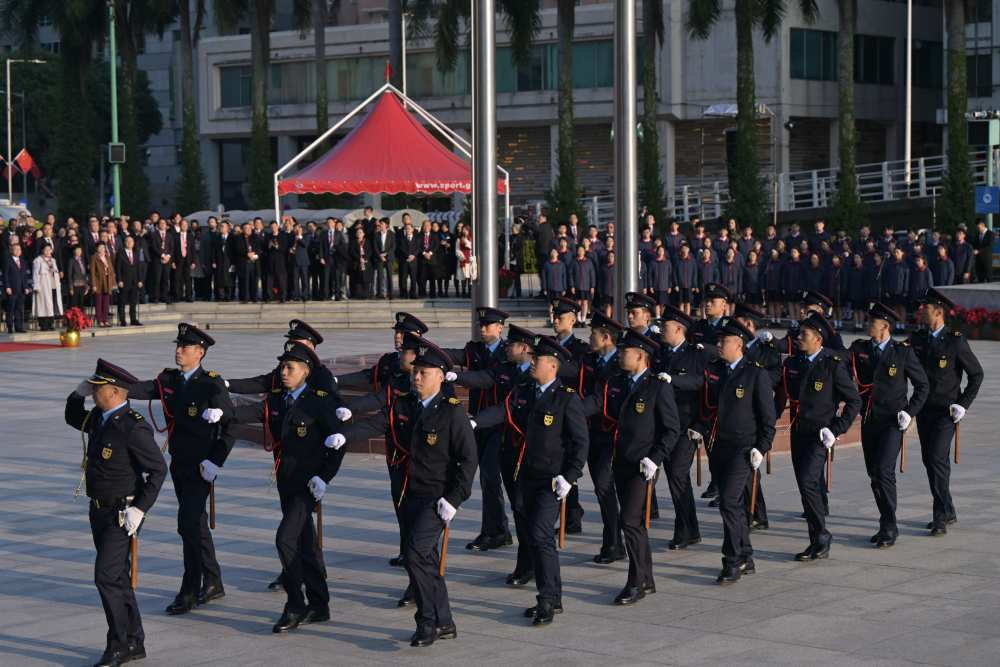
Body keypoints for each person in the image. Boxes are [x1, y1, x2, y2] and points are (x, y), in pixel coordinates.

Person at [334, 338, 478, 647]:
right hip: (409, 493)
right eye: (415, 372)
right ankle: (446, 620)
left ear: (440, 376)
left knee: (414, 556)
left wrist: (455, 499)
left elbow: (468, 460)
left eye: (423, 373)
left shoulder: (452, 413)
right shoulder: (405, 404)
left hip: (437, 499)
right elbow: (377, 424)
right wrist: (343, 435)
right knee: (425, 560)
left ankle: (427, 623)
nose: (415, 377)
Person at [230, 343, 348, 633]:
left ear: (305, 371)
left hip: (308, 485)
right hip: (286, 481)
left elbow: (338, 441)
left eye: (290, 367)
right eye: (282, 367)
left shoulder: (318, 402)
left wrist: (325, 477)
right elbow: (247, 412)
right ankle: (320, 605)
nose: (283, 372)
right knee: (306, 544)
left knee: (285, 539)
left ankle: (295, 604)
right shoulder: (277, 401)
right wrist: (220, 407)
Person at [474, 336, 589, 626]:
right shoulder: (524, 390)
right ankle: (553, 594)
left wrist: (570, 476)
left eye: (537, 360)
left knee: (540, 535)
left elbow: (580, 442)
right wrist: (474, 421)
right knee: (530, 535)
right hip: (525, 475)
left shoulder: (566, 398)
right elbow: (503, 411)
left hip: (552, 480)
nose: (532, 363)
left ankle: (547, 599)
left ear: (552, 365)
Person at [65, 360, 167, 667]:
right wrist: (76, 394)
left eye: (97, 388)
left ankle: (119, 644)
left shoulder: (131, 426)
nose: (93, 391)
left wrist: (140, 509)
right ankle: (135, 640)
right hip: (98, 509)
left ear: (113, 392)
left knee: (105, 577)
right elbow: (73, 418)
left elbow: (158, 470)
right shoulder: (100, 417)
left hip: (123, 514)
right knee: (117, 578)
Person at [128, 323, 235, 615]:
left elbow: (231, 423)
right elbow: (139, 388)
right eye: (177, 346)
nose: (178, 350)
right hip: (179, 464)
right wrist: (111, 384)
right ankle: (213, 580)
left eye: (184, 347)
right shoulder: (169, 380)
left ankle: (189, 590)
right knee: (195, 523)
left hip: (202, 466)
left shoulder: (211, 383)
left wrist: (216, 460)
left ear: (199, 353)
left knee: (186, 523)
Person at [591, 330, 678, 604]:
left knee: (629, 521)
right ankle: (647, 577)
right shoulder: (618, 382)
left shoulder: (657, 386)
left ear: (641, 356)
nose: (619, 354)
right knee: (635, 522)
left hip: (644, 464)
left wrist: (656, 458)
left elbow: (671, 429)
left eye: (625, 351)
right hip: (622, 461)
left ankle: (636, 581)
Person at [446, 325, 538, 583]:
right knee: (519, 508)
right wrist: (458, 380)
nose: (506, 347)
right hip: (509, 449)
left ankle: (536, 569)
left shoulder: (537, 377)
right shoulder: (507, 370)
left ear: (524, 349)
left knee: (530, 513)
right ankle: (525, 562)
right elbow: (487, 383)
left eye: (512, 345)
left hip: (533, 455)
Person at [689, 319, 776, 583]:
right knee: (734, 504)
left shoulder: (754, 373)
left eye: (723, 341)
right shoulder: (715, 369)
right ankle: (746, 554)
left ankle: (733, 560)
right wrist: (698, 427)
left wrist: (762, 447)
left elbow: (767, 418)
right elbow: (709, 405)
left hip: (743, 447)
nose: (718, 345)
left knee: (728, 501)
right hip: (718, 446)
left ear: (738, 344)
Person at [775, 313, 860, 561]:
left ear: (818, 339)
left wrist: (836, 429)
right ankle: (816, 537)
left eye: (804, 334)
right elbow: (781, 396)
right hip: (798, 430)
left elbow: (854, 401)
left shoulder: (832, 364)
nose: (798, 338)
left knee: (808, 480)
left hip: (820, 434)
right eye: (798, 333)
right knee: (804, 485)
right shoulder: (793, 363)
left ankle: (821, 535)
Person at [848, 302, 929, 547]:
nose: (866, 324)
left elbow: (923, 385)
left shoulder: (901, 352)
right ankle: (885, 519)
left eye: (872, 322)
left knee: (884, 471)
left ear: (884, 326)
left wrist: (909, 412)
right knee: (873, 474)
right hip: (870, 420)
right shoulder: (859, 348)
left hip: (892, 422)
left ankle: (890, 525)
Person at [908, 288, 984, 536]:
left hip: (945, 411)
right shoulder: (918, 339)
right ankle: (948, 508)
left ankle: (940, 515)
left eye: (926, 309)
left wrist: (963, 404)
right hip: (923, 409)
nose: (922, 312)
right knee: (929, 461)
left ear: (938, 312)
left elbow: (976, 374)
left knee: (937, 459)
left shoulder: (955, 340)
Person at [441, 307, 514, 552]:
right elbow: (452, 355)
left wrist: (456, 377)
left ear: (500, 328)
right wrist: (428, 352)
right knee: (485, 477)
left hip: (499, 423)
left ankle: (495, 531)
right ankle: (498, 529)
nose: (483, 329)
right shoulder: (474, 350)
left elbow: (485, 378)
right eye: (481, 325)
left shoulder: (508, 353)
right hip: (477, 423)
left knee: (490, 476)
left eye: (488, 325)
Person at [653, 306, 709, 549]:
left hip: (686, 426)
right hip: (665, 426)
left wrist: (672, 379)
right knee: (676, 476)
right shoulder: (660, 353)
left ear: (678, 329)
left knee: (677, 474)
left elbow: (699, 383)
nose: (662, 330)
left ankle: (684, 530)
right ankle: (691, 528)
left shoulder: (694, 354)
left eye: (665, 327)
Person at [575, 313, 627, 563]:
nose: (589, 338)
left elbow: (599, 399)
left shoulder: (621, 363)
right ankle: (613, 542)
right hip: (592, 433)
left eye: (593, 334)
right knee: (602, 490)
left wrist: (571, 413)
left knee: (609, 489)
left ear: (606, 337)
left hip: (615, 436)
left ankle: (616, 543)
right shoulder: (590, 359)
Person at [334, 312, 430, 393]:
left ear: (416, 336)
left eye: (403, 333)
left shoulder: (427, 362)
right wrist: (335, 380)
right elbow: (368, 376)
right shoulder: (389, 360)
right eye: (397, 332)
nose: (397, 336)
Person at [31, 242, 62, 331]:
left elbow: (55, 272)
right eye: (46, 250)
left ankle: (50, 323)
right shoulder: (38, 260)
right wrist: (36, 285)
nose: (48, 251)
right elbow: (35, 274)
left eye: (49, 249)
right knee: (43, 305)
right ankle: (43, 324)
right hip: (43, 286)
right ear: (42, 250)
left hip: (53, 285)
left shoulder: (53, 260)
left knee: (51, 304)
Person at [115, 237, 143, 327]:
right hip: (124, 281)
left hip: (134, 281)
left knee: (133, 302)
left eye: (131, 241)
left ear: (133, 243)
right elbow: (118, 268)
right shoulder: (120, 253)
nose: (129, 243)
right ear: (124, 243)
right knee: (122, 301)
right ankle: (122, 320)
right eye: (127, 241)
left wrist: (140, 280)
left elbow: (139, 268)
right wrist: (119, 280)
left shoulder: (135, 253)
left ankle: (133, 319)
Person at [89, 242, 116, 328]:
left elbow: (111, 269)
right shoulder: (94, 257)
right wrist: (93, 284)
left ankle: (105, 320)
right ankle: (99, 320)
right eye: (100, 247)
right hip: (98, 282)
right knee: (98, 302)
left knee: (106, 302)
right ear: (97, 248)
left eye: (103, 247)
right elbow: (92, 272)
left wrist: (113, 282)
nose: (102, 249)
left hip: (107, 281)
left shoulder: (107, 256)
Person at [372, 218, 395, 299]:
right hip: (379, 258)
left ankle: (390, 293)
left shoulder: (392, 234)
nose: (380, 225)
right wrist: (380, 255)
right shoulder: (377, 234)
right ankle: (380, 294)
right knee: (380, 276)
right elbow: (375, 247)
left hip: (389, 258)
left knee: (389, 276)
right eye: (380, 224)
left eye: (382, 223)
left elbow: (393, 246)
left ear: (386, 225)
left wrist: (386, 254)